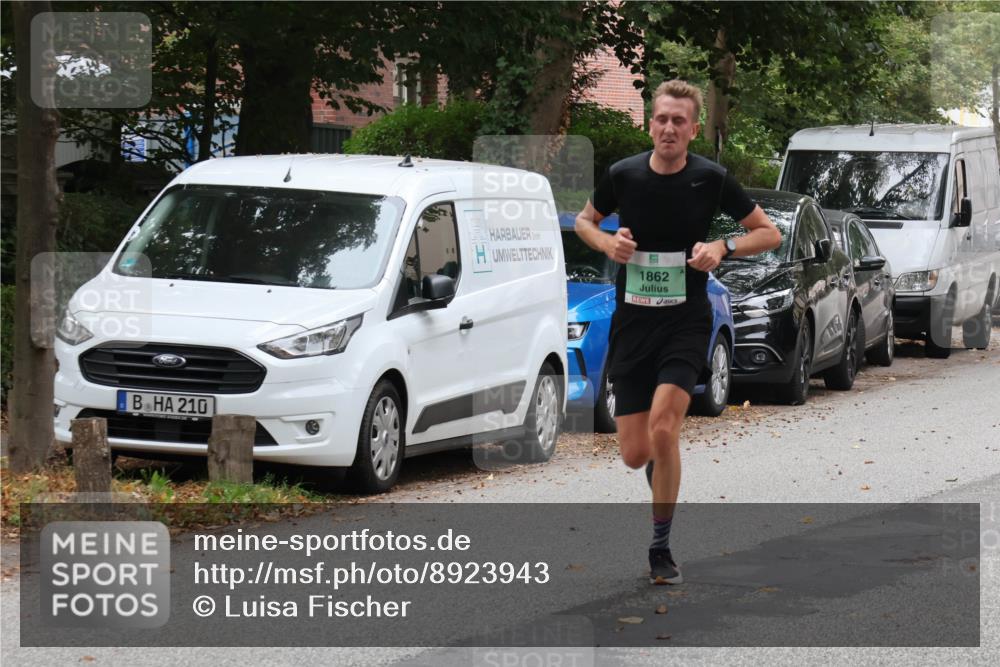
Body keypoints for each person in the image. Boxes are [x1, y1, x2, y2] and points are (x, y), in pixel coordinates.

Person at [574, 80, 781, 584]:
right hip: (633, 322)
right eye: (662, 119)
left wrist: (723, 248)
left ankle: (660, 547)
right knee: (635, 453)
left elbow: (769, 232)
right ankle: (656, 468)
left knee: (666, 428)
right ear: (651, 124)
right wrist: (606, 242)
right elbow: (584, 221)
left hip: (686, 320)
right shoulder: (623, 175)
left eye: (679, 121)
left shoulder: (710, 179)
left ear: (692, 130)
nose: (669, 128)